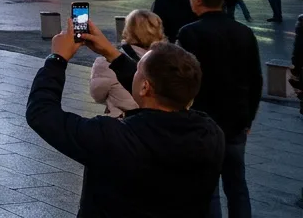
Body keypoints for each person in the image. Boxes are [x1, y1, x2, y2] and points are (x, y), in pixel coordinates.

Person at [26, 19, 224, 216]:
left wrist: (57, 59)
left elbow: (42, 113)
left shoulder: (115, 137)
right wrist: (111, 54)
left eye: (138, 70)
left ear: (145, 86)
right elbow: (159, 89)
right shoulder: (211, 134)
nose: (134, 71)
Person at [177, 0, 262, 217]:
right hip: (236, 119)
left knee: (208, 187)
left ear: (199, 0)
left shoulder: (189, 33)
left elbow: (182, 80)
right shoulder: (244, 32)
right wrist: (249, 118)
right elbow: (256, 78)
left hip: (202, 120)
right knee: (237, 185)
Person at [89, 9, 164, 117]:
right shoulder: (167, 61)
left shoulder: (107, 63)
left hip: (121, 123)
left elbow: (97, 95)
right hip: (155, 122)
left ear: (127, 31)